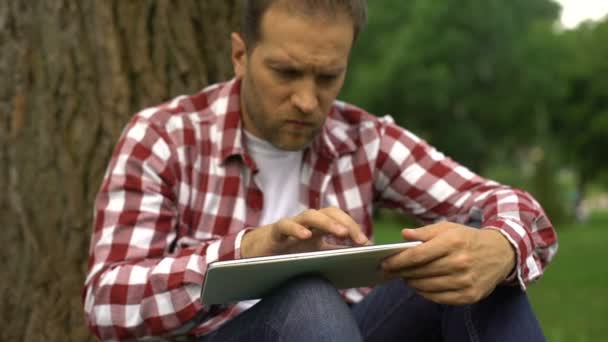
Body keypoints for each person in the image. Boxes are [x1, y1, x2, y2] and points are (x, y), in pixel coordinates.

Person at [83, 0, 558, 340]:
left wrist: (501, 248)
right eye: (286, 73)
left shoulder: (362, 138)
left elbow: (511, 206)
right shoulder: (165, 137)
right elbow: (106, 305)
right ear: (240, 55)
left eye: (328, 77)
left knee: (472, 256)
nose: (308, 101)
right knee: (308, 297)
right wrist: (252, 250)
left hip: (348, 331)